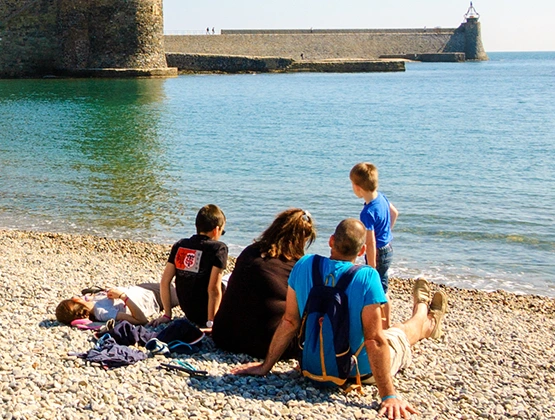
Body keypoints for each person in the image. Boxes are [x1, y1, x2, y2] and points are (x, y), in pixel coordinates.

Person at [232, 219, 447, 419]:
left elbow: (289, 321)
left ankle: (424, 311)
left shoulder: (304, 265)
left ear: (331, 241)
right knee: (400, 333)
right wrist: (388, 395)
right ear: (362, 250)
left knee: (394, 333)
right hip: (357, 372)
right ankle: (425, 316)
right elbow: (374, 340)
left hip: (311, 368)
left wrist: (265, 366)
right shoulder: (367, 277)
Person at [212, 208, 316, 359]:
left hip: (224, 335)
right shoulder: (296, 266)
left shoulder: (249, 251)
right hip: (265, 345)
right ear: (299, 240)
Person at [150, 204, 228, 328]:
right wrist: (211, 322)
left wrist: (167, 315)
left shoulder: (180, 245)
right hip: (206, 314)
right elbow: (213, 289)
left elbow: (165, 282)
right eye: (222, 232)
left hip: (190, 311)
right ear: (216, 230)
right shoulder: (218, 248)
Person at [350, 162, 399, 328]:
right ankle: (386, 324)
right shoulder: (382, 198)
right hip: (388, 247)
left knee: (378, 290)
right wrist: (386, 233)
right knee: (383, 287)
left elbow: (370, 242)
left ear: (357, 188)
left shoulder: (367, 212)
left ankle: (384, 325)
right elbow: (394, 213)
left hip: (377, 252)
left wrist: (371, 265)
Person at [55, 283, 179, 326]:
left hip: (142, 288)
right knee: (185, 288)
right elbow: (141, 320)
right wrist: (122, 297)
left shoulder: (92, 302)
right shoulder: (104, 313)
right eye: (73, 298)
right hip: (155, 298)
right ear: (77, 301)